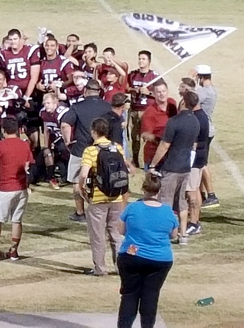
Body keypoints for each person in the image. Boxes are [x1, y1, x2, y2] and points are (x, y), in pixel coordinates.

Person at [117, 173, 178, 328]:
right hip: (160, 260)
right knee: (151, 296)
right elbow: (173, 235)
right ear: (159, 191)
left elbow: (121, 230)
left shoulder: (132, 207)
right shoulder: (168, 212)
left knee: (129, 295)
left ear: (144, 189)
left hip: (132, 256)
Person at [77, 118, 129, 276]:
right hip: (116, 197)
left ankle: (100, 268)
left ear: (93, 131)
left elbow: (84, 174)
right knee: (116, 234)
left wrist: (83, 188)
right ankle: (121, 267)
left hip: (98, 198)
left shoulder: (90, 151)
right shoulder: (117, 148)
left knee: (98, 235)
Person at [149, 91, 200, 246]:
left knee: (165, 202)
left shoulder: (174, 121)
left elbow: (164, 145)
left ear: (183, 102)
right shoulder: (195, 122)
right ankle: (183, 234)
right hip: (185, 167)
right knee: (181, 202)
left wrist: (153, 164)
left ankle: (164, 234)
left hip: (171, 167)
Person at [61, 79, 112, 222]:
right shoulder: (107, 107)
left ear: (85, 91)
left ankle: (80, 212)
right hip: (103, 150)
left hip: (80, 150)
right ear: (99, 92)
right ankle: (102, 211)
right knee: (102, 181)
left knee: (77, 181)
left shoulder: (77, 107)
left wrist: (67, 141)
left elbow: (65, 124)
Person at [0, 117, 33, 261]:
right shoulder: (25, 145)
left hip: (4, 187)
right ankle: (13, 251)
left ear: (3, 130)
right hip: (21, 187)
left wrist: (1, 178)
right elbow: (27, 165)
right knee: (17, 220)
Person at [193, 65, 219, 208]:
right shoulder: (212, 90)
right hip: (208, 129)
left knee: (202, 163)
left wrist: (190, 81)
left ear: (200, 77)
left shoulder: (203, 92)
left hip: (203, 130)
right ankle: (203, 193)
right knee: (200, 163)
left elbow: (190, 98)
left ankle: (211, 194)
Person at [127, 50, 157, 168]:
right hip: (134, 109)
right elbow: (126, 87)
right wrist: (133, 90)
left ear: (149, 61)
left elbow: (161, 93)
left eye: (143, 59)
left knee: (148, 136)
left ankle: (148, 161)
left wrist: (149, 92)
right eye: (139, 58)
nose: (140, 61)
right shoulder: (133, 74)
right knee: (135, 137)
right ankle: (135, 159)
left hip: (147, 111)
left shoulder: (154, 76)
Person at [140, 80, 177, 171]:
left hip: (171, 156)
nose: (162, 94)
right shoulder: (150, 112)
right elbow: (145, 134)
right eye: (158, 92)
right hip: (154, 156)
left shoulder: (172, 103)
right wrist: (161, 140)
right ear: (154, 94)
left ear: (167, 91)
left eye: (163, 91)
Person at [186, 94, 209, 236]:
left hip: (194, 159)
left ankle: (194, 223)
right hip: (201, 157)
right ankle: (196, 220)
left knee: (191, 191)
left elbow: (197, 141)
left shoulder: (196, 118)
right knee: (195, 189)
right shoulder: (203, 115)